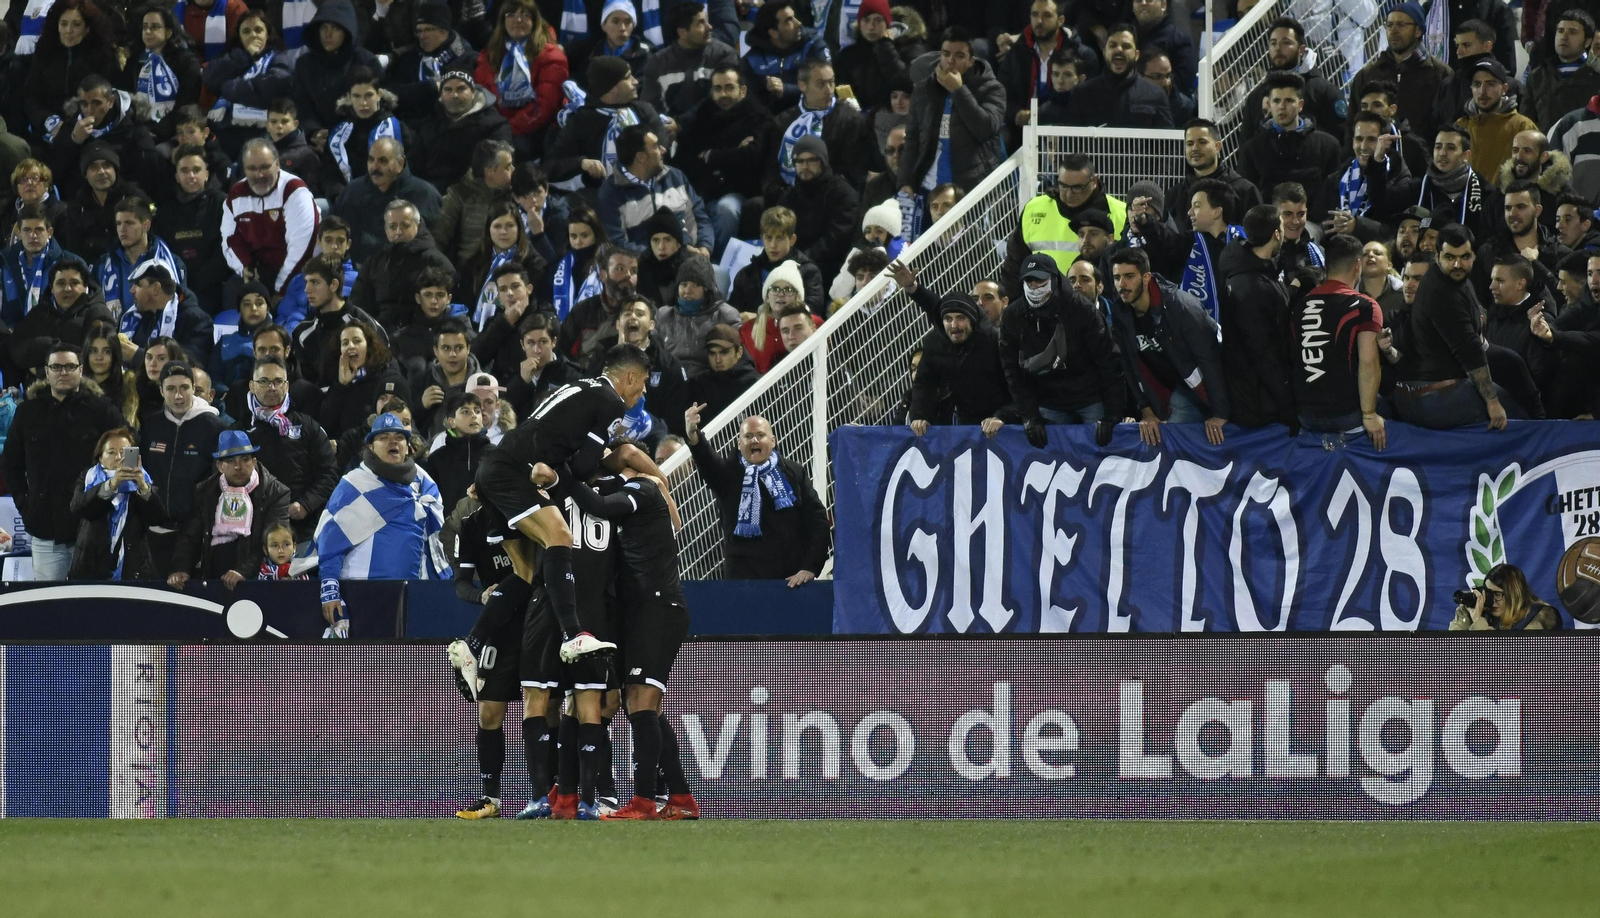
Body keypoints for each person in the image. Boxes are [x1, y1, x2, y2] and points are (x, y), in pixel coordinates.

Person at [471, 344, 659, 663]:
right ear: (630, 377)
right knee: (560, 536)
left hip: (495, 467)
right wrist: (605, 462)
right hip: (516, 473)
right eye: (641, 386)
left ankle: (472, 644)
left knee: (526, 572)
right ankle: (572, 636)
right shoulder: (611, 401)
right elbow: (584, 466)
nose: (640, 395)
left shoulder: (579, 386)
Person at [562, 468, 698, 821]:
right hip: (639, 611)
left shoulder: (643, 487)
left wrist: (566, 474)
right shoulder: (628, 514)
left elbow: (601, 503)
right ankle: (680, 797)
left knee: (641, 701)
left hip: (658, 606)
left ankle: (644, 801)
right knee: (644, 706)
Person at [316, 412, 450, 636]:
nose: (392, 442)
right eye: (384, 437)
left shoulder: (425, 483)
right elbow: (331, 543)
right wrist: (330, 589)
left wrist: (442, 587)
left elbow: (437, 545)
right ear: (370, 447)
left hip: (412, 597)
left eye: (399, 437)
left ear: (408, 446)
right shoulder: (353, 485)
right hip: (360, 595)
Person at [1, 341, 125, 579]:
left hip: (94, 528)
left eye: (70, 366)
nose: (63, 372)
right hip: (46, 531)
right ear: (46, 372)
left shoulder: (101, 410)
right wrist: (25, 505)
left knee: (94, 608)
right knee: (50, 608)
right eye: (56, 367)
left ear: (81, 370)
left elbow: (127, 445)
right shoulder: (27, 412)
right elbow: (11, 464)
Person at [683, 402, 829, 582]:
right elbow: (707, 461)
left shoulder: (794, 472)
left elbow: (817, 521)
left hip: (791, 582)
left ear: (773, 441)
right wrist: (693, 435)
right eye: (748, 436)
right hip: (743, 584)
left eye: (761, 435)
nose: (754, 441)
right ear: (738, 444)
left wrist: (809, 567)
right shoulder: (727, 475)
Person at [1392, 223, 1511, 430]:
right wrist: (1492, 402)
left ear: (1474, 255)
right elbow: (1470, 351)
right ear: (1437, 256)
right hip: (1433, 395)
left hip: (1434, 389)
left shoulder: (1456, 279)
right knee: (1513, 409)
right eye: (1450, 257)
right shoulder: (1441, 293)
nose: (1458, 264)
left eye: (1465, 257)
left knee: (1511, 364)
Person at [1107, 248, 1229, 446]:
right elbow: (1129, 366)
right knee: (1164, 442)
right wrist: (1146, 410)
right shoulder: (1120, 314)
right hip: (1179, 389)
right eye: (1117, 277)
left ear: (1146, 278)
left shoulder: (1181, 307)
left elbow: (1211, 360)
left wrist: (1221, 414)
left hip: (1219, 384)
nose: (1122, 284)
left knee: (1218, 439)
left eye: (1129, 276)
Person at [997, 254, 1123, 441]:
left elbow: (1108, 361)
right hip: (1048, 400)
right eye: (1029, 281)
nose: (1034, 287)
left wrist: (1113, 414)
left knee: (1103, 451)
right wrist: (1030, 416)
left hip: (1090, 397)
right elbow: (1013, 372)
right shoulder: (1013, 316)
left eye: (1040, 280)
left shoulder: (1081, 309)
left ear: (1054, 279)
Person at [167, 428, 292, 590]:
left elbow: (275, 541)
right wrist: (180, 568)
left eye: (245, 459)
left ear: (254, 462)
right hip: (213, 580)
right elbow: (189, 537)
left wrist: (244, 572)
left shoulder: (275, 493)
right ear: (220, 466)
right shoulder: (205, 491)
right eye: (231, 461)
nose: (238, 467)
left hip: (259, 582)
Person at [674, 65, 777, 256]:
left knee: (726, 210)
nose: (723, 94)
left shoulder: (758, 117)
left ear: (743, 90)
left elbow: (751, 157)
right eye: (718, 89)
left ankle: (717, 264)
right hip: (700, 189)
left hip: (738, 190)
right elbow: (684, 158)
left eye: (730, 87)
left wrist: (711, 156)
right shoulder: (703, 115)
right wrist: (733, 151)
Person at [241, 355, 338, 548]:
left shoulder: (307, 426)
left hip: (301, 531)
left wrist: (306, 504)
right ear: (252, 386)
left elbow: (329, 473)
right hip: (252, 531)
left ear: (286, 386)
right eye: (264, 381)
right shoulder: (239, 432)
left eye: (278, 381)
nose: (272, 387)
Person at [1001, 153, 1126, 299]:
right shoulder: (1035, 209)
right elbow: (1014, 266)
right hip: (1043, 305)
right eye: (1063, 186)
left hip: (1102, 305)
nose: (1069, 194)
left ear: (1094, 181)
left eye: (1077, 188)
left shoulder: (1120, 213)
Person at [140, 360, 224, 570]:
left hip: (194, 533)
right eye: (171, 389)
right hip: (154, 530)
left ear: (193, 389)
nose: (178, 396)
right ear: (161, 391)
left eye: (184, 388)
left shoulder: (213, 427)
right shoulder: (151, 426)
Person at [1219, 204, 1296, 429]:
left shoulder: (1252, 270)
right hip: (1258, 403)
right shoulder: (1251, 286)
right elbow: (1263, 352)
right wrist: (1287, 404)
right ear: (1276, 234)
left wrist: (1295, 288)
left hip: (1256, 394)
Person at [546, 56, 666, 195]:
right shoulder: (581, 122)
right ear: (611, 88)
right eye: (627, 78)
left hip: (651, 190)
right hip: (601, 197)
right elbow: (550, 166)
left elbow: (663, 143)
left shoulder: (644, 110)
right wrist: (582, 163)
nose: (635, 81)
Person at [597, 124, 713, 258]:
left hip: (687, 262)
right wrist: (663, 255)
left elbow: (699, 217)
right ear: (641, 157)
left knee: (721, 275)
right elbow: (617, 244)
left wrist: (704, 247)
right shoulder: (611, 193)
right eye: (656, 146)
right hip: (645, 270)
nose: (664, 150)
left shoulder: (675, 176)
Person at [223, 138, 319, 299]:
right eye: (252, 168)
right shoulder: (236, 195)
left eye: (265, 167)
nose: (259, 175)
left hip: (297, 274)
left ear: (277, 164)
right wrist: (245, 267)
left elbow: (303, 250)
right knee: (233, 292)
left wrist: (280, 290)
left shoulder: (294, 191)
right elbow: (230, 239)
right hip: (258, 272)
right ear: (244, 169)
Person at [1347, 2, 1453, 143]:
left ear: (1418, 31)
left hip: (1422, 160)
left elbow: (1447, 125)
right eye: (1389, 25)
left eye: (1401, 25)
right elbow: (1352, 126)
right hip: (1376, 160)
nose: (1394, 30)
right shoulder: (1368, 74)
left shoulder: (1440, 74)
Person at [771, 58, 880, 194]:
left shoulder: (850, 119)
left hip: (834, 196)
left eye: (831, 82)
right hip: (791, 196)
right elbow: (771, 172)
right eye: (821, 84)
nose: (829, 90)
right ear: (802, 86)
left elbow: (855, 171)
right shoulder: (782, 122)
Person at [69, 425, 163, 580]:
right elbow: (78, 508)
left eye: (124, 452)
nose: (119, 457)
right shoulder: (88, 478)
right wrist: (112, 484)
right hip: (91, 565)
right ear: (100, 457)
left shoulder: (143, 480)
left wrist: (142, 486)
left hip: (133, 569)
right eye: (111, 452)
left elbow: (156, 518)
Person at [347, 199, 456, 329]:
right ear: (385, 229)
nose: (398, 232)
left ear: (418, 225)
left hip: (422, 336)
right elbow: (359, 305)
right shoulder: (374, 263)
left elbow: (446, 309)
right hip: (379, 334)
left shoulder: (437, 263)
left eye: (405, 225)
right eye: (393, 227)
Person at [332, 139, 444, 263]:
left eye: (383, 161)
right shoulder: (352, 191)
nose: (374, 167)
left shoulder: (425, 195)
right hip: (353, 269)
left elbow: (436, 246)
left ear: (400, 164)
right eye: (371, 160)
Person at [202, 10, 294, 159]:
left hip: (263, 131)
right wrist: (243, 57)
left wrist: (230, 87)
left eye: (258, 30)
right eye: (246, 31)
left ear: (267, 34)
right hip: (227, 131)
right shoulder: (232, 56)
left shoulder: (280, 57)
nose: (253, 35)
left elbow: (273, 87)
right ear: (239, 36)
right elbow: (211, 78)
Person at [1237, 72, 1343, 201]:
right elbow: (1248, 198)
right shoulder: (1252, 150)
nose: (1282, 106)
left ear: (1300, 105)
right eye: (1276, 101)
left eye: (1289, 100)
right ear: (1269, 104)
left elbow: (1334, 193)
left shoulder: (1328, 145)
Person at [22, 0, 121, 138]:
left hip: (91, 131)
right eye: (64, 24)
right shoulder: (45, 52)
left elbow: (112, 98)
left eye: (76, 24)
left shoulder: (104, 56)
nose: (69, 30)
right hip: (46, 130)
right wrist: (49, 121)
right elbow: (30, 97)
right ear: (56, 26)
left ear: (87, 28)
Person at [1239, 16, 1345, 143]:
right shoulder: (1256, 97)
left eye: (1286, 42)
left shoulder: (1323, 91)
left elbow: (1342, 139)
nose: (1278, 48)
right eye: (1273, 43)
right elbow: (1246, 147)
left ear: (1301, 50)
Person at [413, 66, 513, 194]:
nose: (454, 95)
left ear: (473, 93)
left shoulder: (495, 125)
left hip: (476, 194)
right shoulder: (429, 125)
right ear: (441, 95)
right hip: (431, 192)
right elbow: (415, 166)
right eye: (448, 90)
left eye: (461, 89)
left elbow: (501, 167)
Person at [290, 0, 380, 142]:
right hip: (317, 140)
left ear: (347, 31)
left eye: (336, 28)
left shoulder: (367, 62)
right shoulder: (305, 64)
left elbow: (376, 107)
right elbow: (301, 105)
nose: (328, 34)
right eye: (324, 27)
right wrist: (314, 131)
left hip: (360, 138)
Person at [290, 254, 384, 387]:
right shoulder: (302, 333)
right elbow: (304, 384)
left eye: (315, 282)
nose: (307, 289)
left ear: (333, 285)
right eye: (306, 282)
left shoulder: (364, 324)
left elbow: (384, 366)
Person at [10, 255, 113, 375]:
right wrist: (47, 345)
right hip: (38, 390)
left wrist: (42, 371)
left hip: (85, 389)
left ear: (85, 287)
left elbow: (96, 359)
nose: (67, 288)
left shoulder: (98, 313)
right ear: (52, 288)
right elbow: (16, 348)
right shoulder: (39, 313)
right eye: (60, 283)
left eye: (74, 283)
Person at [775, 136, 857, 281]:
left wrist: (801, 260)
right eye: (799, 161)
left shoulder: (843, 193)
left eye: (812, 160)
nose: (805, 166)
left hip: (832, 269)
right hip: (793, 266)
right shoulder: (788, 197)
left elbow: (836, 239)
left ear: (823, 162)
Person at [1059, 24, 1170, 128]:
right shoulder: (1082, 93)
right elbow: (1070, 142)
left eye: (1126, 46)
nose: (1119, 50)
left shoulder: (1156, 95)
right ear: (1104, 51)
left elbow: (1168, 143)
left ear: (1136, 55)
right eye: (1113, 45)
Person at [318, 319, 411, 442]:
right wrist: (341, 386)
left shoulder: (387, 376)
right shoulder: (335, 376)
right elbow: (324, 426)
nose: (350, 346)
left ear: (369, 345)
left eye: (357, 341)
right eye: (345, 343)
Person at [639, 2, 735, 119]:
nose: (710, 27)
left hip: (715, 126)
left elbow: (720, 100)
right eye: (700, 23)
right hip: (669, 132)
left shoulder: (723, 55)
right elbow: (650, 107)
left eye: (706, 21)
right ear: (682, 33)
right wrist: (666, 126)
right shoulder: (657, 63)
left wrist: (681, 124)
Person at [383, 3, 475, 120]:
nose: (422, 36)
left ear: (444, 30)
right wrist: (428, 88)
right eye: (419, 30)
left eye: (428, 29)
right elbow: (392, 92)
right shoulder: (409, 58)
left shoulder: (466, 58)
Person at [727, 205, 826, 312]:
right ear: (762, 239)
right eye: (768, 238)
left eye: (780, 238)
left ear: (792, 240)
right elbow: (734, 314)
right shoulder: (746, 275)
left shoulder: (808, 272)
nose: (773, 245)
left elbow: (812, 312)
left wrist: (761, 319)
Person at [98, 196, 184, 317]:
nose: (122, 229)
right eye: (118, 223)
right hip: (115, 333)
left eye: (129, 223)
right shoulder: (102, 264)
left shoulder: (172, 263)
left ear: (146, 225)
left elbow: (181, 306)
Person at [832, 0, 921, 117]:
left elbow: (903, 83)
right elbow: (838, 89)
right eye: (866, 20)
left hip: (895, 119)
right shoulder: (848, 56)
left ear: (888, 24)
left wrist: (885, 47)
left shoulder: (907, 49)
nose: (871, 26)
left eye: (878, 20)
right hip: (858, 120)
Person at [656, 254, 740, 375]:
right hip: (670, 381)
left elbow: (737, 357)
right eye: (683, 284)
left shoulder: (726, 315)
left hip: (711, 380)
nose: (687, 290)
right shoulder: (663, 315)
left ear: (707, 288)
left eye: (696, 285)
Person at [434, 139, 515, 264]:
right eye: (507, 167)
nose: (513, 169)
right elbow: (438, 238)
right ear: (489, 172)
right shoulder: (459, 194)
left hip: (510, 269)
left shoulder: (516, 193)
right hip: (471, 272)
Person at [1455, 59, 1538, 182]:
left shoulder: (1523, 127)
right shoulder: (1460, 126)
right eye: (1477, 84)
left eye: (1491, 84)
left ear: (1504, 89)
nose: (1482, 91)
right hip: (1465, 199)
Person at [119, 261, 213, 369]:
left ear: (156, 288)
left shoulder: (197, 321)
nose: (131, 290)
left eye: (138, 284)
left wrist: (138, 356)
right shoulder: (134, 317)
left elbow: (191, 364)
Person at [55, 143, 138, 264]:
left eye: (107, 165)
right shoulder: (77, 208)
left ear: (115, 170)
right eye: (94, 167)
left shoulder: (134, 197)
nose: (101, 172)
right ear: (85, 175)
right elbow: (74, 251)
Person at [741, 0, 831, 112]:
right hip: (771, 122)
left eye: (795, 17)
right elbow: (749, 102)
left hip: (812, 115)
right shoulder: (753, 60)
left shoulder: (813, 46)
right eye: (789, 21)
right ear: (773, 33)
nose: (799, 23)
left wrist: (787, 90)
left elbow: (826, 88)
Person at [470, 260, 541, 382]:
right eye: (503, 289)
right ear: (498, 296)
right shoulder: (497, 320)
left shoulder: (544, 316)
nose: (509, 293)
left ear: (528, 289)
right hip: (500, 391)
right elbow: (474, 358)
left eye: (515, 286)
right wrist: (505, 322)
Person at [504, 312, 582, 419]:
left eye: (543, 342)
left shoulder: (572, 376)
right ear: (522, 345)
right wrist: (522, 383)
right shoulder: (512, 373)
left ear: (553, 342)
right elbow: (506, 415)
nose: (537, 350)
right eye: (531, 343)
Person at [0, 203, 68, 327]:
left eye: (39, 229)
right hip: (12, 341)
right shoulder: (4, 264)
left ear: (50, 232)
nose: (33, 236)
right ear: (19, 233)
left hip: (56, 340)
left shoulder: (68, 263)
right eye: (27, 230)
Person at [1451, 563, 1562, 630]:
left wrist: (1478, 622)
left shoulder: (1536, 618)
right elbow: (1452, 652)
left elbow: (1505, 661)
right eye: (1489, 594)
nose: (1492, 601)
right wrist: (1465, 616)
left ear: (1514, 595)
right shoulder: (1486, 614)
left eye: (1497, 594)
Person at [686, 323, 758, 420]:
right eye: (712, 353)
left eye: (724, 352)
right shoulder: (698, 383)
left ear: (739, 352)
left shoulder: (755, 383)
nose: (718, 360)